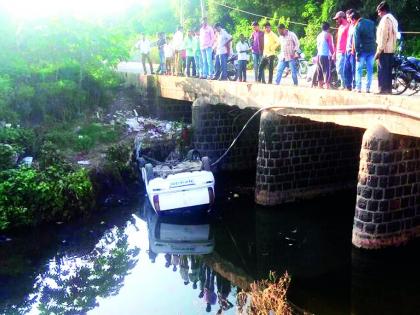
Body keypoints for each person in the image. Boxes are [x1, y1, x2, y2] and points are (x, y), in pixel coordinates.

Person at [375, 1, 398, 94]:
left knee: (382, 70)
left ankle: (382, 89)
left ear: (383, 11)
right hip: (391, 49)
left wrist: (379, 50)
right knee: (388, 71)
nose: (378, 13)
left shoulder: (385, 20)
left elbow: (384, 37)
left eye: (379, 11)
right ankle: (388, 90)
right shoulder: (393, 19)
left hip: (384, 49)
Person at [351, 11, 376, 93]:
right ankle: (368, 88)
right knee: (370, 69)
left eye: (351, 21)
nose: (351, 23)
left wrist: (357, 54)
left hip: (362, 51)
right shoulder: (371, 23)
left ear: (354, 19)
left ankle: (358, 88)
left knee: (359, 69)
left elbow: (356, 41)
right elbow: (375, 36)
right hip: (372, 50)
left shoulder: (357, 27)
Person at [332, 11, 350, 88]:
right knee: (338, 69)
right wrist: (334, 53)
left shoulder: (348, 26)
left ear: (341, 18)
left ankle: (345, 85)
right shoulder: (340, 27)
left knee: (341, 69)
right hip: (338, 51)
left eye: (337, 19)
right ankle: (343, 84)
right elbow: (338, 41)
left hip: (344, 51)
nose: (336, 20)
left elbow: (349, 40)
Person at [316, 22, 335, 89]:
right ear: (328, 28)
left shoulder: (319, 35)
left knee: (320, 71)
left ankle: (320, 85)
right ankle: (327, 85)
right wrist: (333, 53)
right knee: (327, 71)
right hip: (325, 55)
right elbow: (330, 45)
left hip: (319, 55)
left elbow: (317, 46)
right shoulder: (328, 35)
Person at [344, 9, 356, 90]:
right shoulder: (350, 26)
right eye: (347, 17)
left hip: (353, 51)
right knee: (346, 69)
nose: (348, 19)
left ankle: (355, 86)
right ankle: (348, 86)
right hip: (347, 50)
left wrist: (352, 50)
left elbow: (355, 40)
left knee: (353, 69)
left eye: (348, 17)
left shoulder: (356, 25)